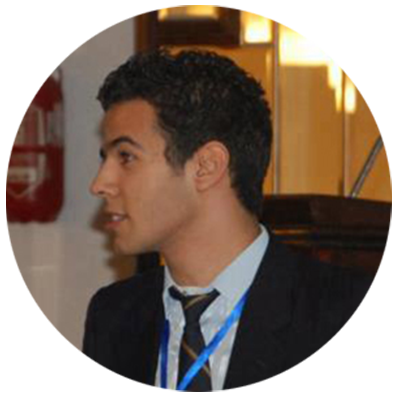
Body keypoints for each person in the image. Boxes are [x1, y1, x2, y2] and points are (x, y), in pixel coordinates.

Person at [81, 49, 391, 392]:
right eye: (105, 158)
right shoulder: (114, 316)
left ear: (207, 166)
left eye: (126, 156)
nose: (100, 183)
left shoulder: (356, 316)